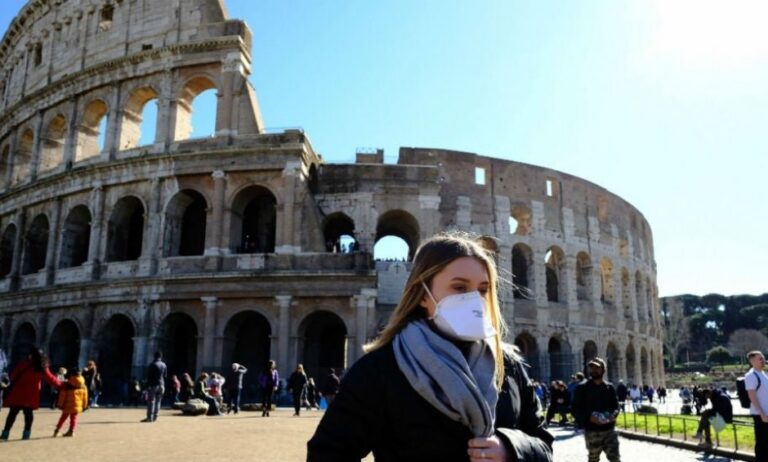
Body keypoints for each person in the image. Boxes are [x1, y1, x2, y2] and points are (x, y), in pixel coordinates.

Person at [307, 232, 554, 461]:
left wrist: (510, 447)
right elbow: (328, 452)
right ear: (423, 295)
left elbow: (543, 444)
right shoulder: (381, 369)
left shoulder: (507, 364)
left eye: (482, 289)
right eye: (459, 287)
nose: (474, 299)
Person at [1, 348, 62, 440]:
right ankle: (26, 434)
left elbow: (12, 376)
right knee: (28, 414)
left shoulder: (23, 364)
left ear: (31, 355)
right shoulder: (42, 367)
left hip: (18, 392)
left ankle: (5, 433)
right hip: (31, 394)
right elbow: (51, 379)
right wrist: (62, 386)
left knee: (12, 414)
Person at [572, 357, 620, 462]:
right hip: (592, 431)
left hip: (609, 430)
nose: (594, 370)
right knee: (593, 459)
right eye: (591, 367)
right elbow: (575, 408)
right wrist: (589, 418)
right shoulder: (582, 388)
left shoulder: (609, 387)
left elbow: (616, 406)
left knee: (615, 458)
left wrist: (613, 415)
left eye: (597, 367)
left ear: (603, 370)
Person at [744, 350, 768, 461]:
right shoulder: (751, 375)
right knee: (762, 444)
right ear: (752, 361)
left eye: (763, 358)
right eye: (760, 358)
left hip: (766, 413)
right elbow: (752, 396)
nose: (763, 360)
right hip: (761, 415)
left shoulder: (763, 374)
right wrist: (761, 413)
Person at [53, 369, 88, 437]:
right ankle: (71, 431)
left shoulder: (67, 384)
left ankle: (57, 430)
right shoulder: (83, 385)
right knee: (74, 418)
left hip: (67, 405)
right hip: (77, 405)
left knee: (63, 418)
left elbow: (62, 395)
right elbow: (85, 397)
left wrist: (60, 405)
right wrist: (85, 406)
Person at [142, 351, 166, 422]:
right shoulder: (164, 365)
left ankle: (150, 417)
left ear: (154, 356)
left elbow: (149, 377)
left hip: (153, 385)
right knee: (158, 401)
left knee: (151, 401)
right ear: (161, 357)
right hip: (162, 385)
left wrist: (147, 386)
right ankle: (155, 417)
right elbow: (165, 376)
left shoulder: (152, 364)